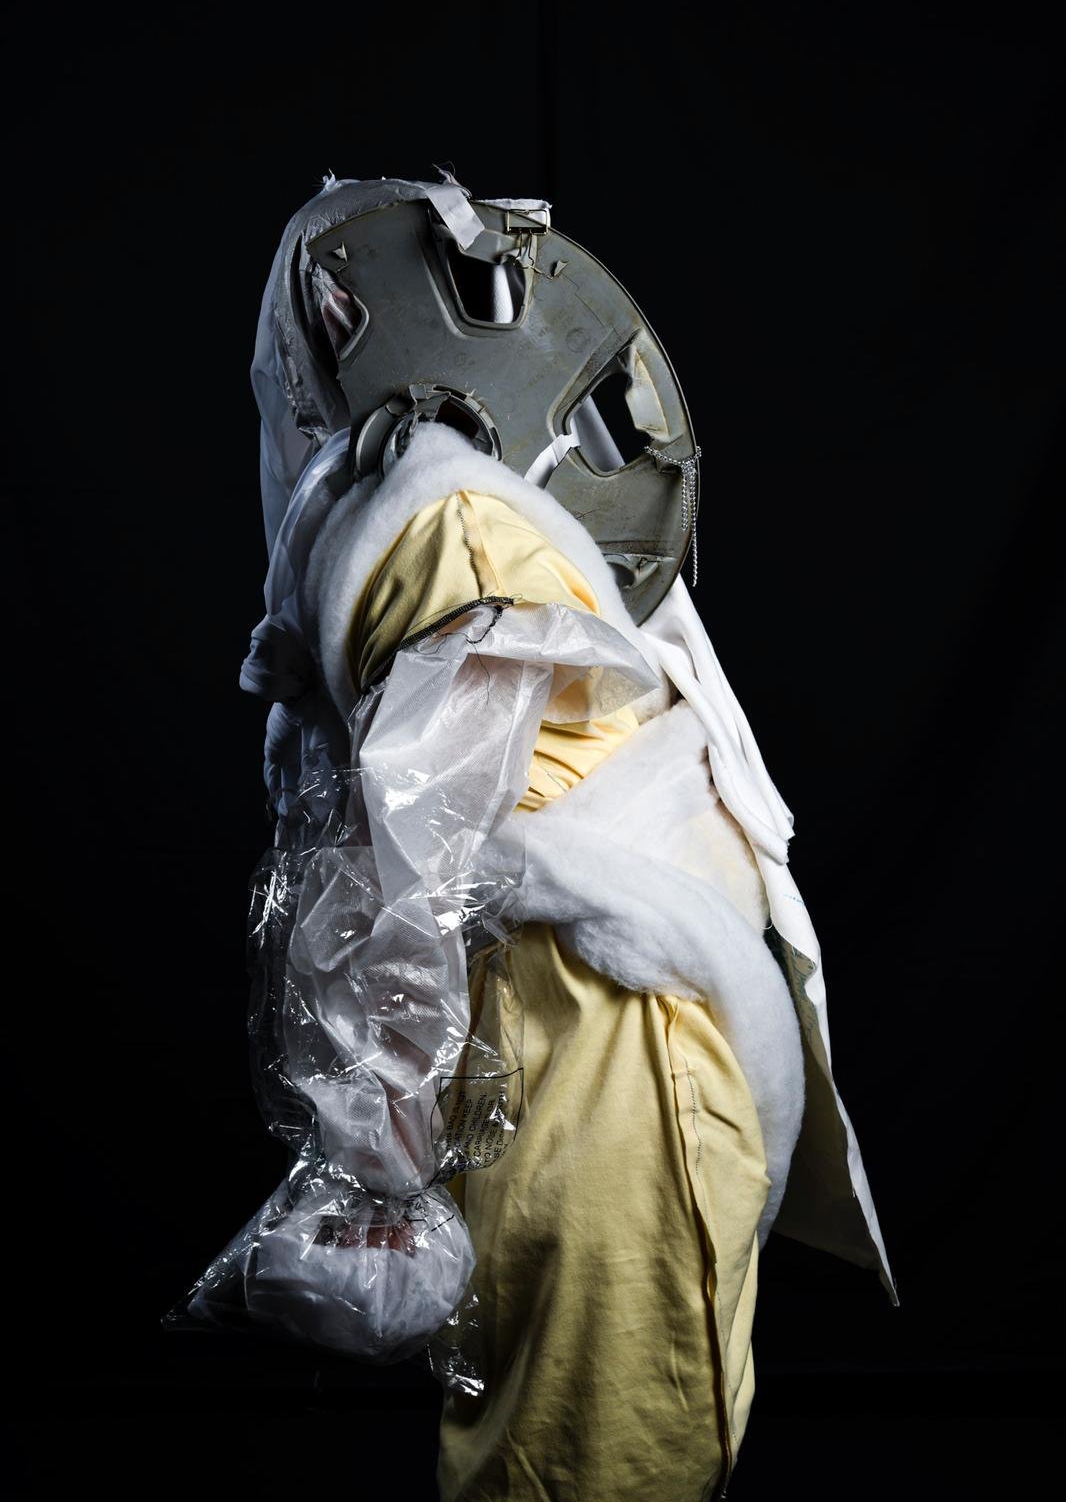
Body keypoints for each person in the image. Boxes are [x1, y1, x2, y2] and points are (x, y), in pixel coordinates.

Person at [170, 171, 897, 1502]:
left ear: (335, 321)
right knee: (564, 1453)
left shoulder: (450, 524)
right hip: (573, 1042)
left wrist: (367, 1150)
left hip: (615, 1057)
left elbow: (407, 861)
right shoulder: (455, 514)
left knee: (596, 1460)